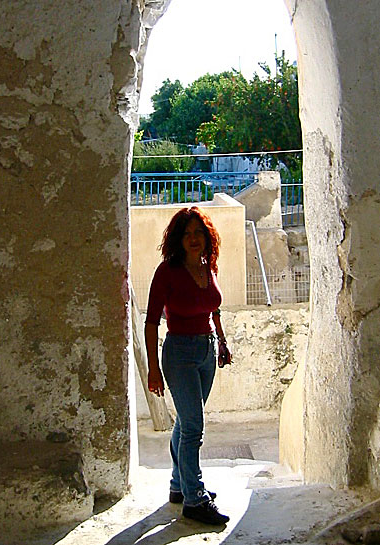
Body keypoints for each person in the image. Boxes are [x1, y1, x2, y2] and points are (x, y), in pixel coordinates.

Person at [144, 206, 231, 526]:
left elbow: (214, 308)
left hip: (207, 350)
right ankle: (195, 499)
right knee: (194, 426)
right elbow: (152, 322)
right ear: (177, 239)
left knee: (186, 420)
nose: (193, 239)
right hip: (179, 352)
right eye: (187, 233)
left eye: (199, 233)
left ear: (207, 238)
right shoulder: (167, 271)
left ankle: (179, 486)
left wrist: (221, 341)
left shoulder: (209, 266)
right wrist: (153, 368)